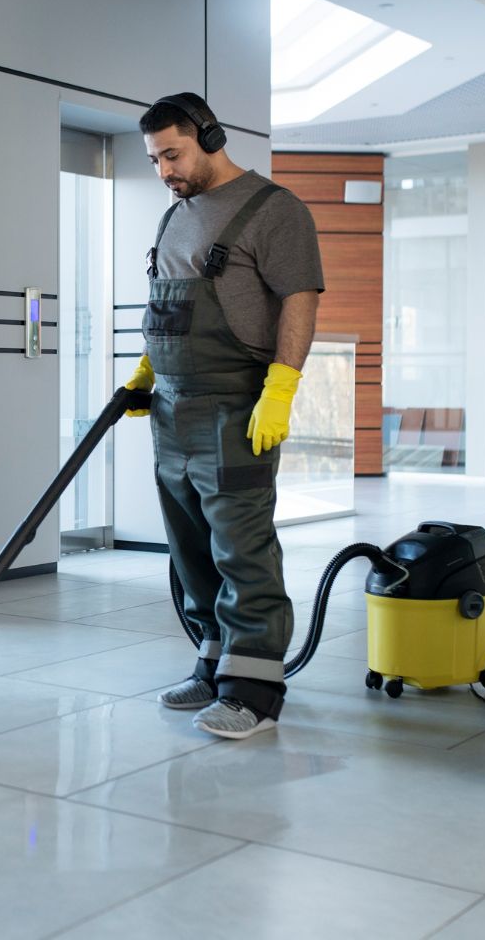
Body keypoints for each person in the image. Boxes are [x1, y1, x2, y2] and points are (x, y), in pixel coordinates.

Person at [124, 92, 323, 741]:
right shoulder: (174, 217)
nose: (164, 172)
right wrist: (147, 371)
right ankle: (214, 664)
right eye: (155, 160)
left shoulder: (274, 210)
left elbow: (298, 300)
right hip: (172, 408)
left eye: (172, 155)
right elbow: (165, 304)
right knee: (190, 549)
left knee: (241, 544)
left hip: (238, 404)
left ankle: (255, 689)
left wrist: (282, 387)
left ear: (210, 135)